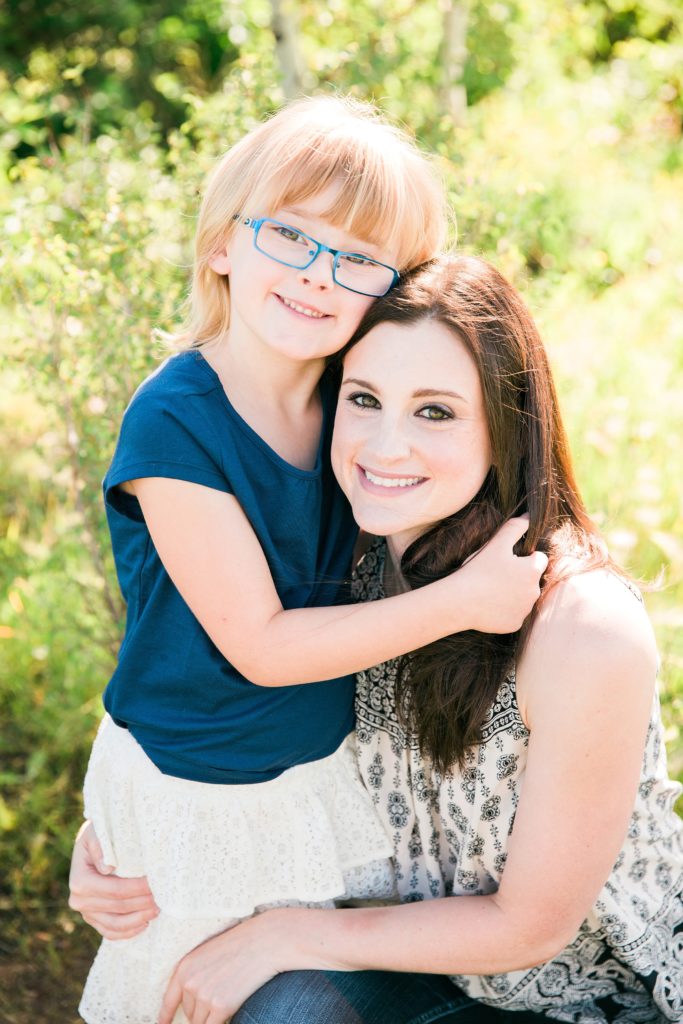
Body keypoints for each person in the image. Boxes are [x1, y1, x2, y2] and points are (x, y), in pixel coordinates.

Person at [77, 253, 681, 1024]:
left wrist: (284, 937)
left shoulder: (579, 628)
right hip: (406, 964)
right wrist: (117, 834)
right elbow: (193, 688)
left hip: (584, 998)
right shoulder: (342, 570)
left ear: (506, 428)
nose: (384, 446)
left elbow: (531, 927)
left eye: (435, 411)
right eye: (363, 399)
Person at [71, 102, 548, 1024]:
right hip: (195, 778)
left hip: (311, 772)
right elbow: (260, 644)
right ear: (221, 244)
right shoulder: (176, 420)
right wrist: (465, 600)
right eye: (289, 235)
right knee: (180, 998)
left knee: (297, 979)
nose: (318, 277)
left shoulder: (358, 401)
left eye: (360, 259)